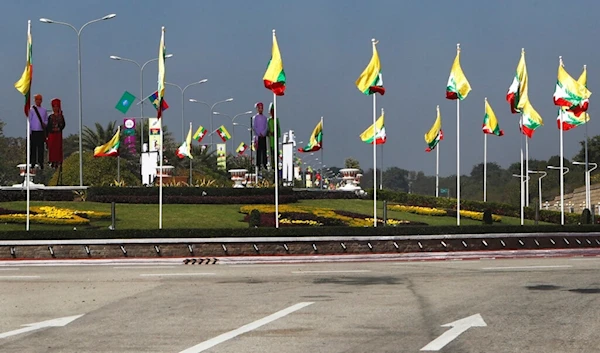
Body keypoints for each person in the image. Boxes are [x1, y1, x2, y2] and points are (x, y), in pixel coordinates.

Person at [28, 94, 48, 169]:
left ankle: (40, 162)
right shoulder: (32, 110)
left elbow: (46, 120)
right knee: (33, 148)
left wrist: (44, 124)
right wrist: (29, 132)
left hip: (40, 131)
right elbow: (29, 120)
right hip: (33, 131)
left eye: (39, 99)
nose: (38, 101)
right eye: (37, 99)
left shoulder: (44, 110)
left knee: (40, 148)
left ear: (41, 100)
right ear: (35, 100)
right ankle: (32, 162)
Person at [46, 98, 66, 169]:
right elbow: (48, 127)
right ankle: (52, 161)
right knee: (52, 148)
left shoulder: (61, 116)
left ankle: (58, 161)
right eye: (54, 106)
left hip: (58, 135)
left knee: (58, 148)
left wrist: (59, 128)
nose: (55, 108)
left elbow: (63, 125)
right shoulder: (50, 117)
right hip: (52, 135)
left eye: (57, 106)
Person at [252, 102, 268, 170]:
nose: (261, 109)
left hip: (263, 136)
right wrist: (259, 133)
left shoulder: (265, 118)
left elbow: (266, 127)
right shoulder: (255, 117)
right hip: (258, 137)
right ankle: (258, 165)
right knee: (258, 151)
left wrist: (263, 133)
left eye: (262, 108)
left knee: (264, 151)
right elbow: (254, 127)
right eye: (259, 108)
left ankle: (264, 164)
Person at [267, 102, 281, 170]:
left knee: (276, 154)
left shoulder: (277, 120)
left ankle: (276, 166)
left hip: (275, 141)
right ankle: (272, 166)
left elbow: (278, 131)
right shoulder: (268, 121)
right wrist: (270, 133)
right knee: (271, 154)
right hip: (270, 141)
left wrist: (275, 133)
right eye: (271, 111)